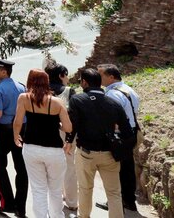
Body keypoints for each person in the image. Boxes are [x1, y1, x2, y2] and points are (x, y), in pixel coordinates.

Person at [66, 68, 134, 218]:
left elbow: (73, 125)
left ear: (84, 82)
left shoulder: (77, 100)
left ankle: (84, 216)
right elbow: (128, 131)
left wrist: (68, 141)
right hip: (110, 153)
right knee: (114, 193)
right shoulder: (114, 103)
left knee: (85, 188)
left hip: (86, 153)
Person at [13, 68, 73, 218]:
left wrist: (15, 136)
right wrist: (57, 125)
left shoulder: (24, 98)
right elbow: (68, 127)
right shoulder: (57, 102)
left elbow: (17, 122)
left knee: (38, 189)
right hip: (53, 150)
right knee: (55, 189)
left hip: (31, 148)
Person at [0, 58, 27, 217]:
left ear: (4, 71)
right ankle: (20, 208)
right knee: (21, 169)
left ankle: (7, 203)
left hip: (4, 131)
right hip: (21, 129)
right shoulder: (22, 87)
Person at [99, 64, 142, 213]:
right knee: (128, 168)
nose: (100, 78)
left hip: (119, 134)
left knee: (116, 170)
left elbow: (112, 117)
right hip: (131, 131)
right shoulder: (129, 90)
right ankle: (129, 200)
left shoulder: (111, 94)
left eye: (102, 75)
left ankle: (117, 202)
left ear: (111, 77)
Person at [46, 61, 78, 213]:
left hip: (46, 133)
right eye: (66, 75)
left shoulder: (42, 91)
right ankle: (71, 201)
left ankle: (56, 198)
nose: (67, 78)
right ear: (61, 75)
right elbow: (74, 117)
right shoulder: (69, 91)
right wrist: (70, 138)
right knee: (69, 167)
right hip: (66, 133)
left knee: (51, 167)